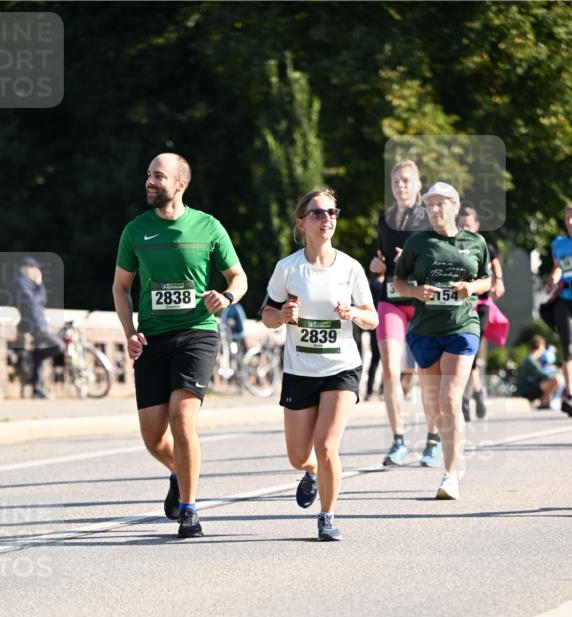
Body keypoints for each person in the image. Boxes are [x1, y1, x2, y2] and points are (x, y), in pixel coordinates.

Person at [112, 153, 247, 538]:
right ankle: (178, 470)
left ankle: (189, 508)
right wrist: (129, 331)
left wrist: (228, 297)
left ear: (180, 184)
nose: (149, 181)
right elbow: (121, 288)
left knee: (182, 418)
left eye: (158, 176)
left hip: (197, 333)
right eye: (148, 175)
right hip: (153, 338)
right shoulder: (136, 231)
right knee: (153, 438)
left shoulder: (208, 227)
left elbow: (238, 276)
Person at [261, 188, 377, 541]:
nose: (327, 219)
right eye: (318, 213)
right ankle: (310, 471)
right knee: (299, 455)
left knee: (327, 445)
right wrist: (281, 316)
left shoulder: (350, 268)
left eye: (333, 212)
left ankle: (327, 515)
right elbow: (266, 315)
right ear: (302, 223)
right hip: (300, 371)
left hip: (341, 368)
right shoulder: (288, 268)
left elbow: (372, 317)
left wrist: (353, 313)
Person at [393, 182, 492, 500]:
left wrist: (471, 288)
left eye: (440, 204)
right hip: (424, 331)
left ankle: (450, 475)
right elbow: (398, 281)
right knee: (433, 407)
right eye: (429, 205)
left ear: (454, 206)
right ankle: (453, 448)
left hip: (462, 327)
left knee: (450, 400)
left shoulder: (475, 242)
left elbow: (487, 279)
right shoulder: (417, 243)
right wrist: (416, 291)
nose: (434, 210)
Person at [369, 159, 441, 468]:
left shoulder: (429, 218)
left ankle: (433, 441)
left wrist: (410, 262)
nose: (400, 186)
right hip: (392, 300)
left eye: (406, 181)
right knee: (389, 370)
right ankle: (398, 441)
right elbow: (381, 258)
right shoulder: (385, 219)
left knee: (427, 374)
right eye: (396, 181)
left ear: (418, 185)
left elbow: (440, 260)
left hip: (422, 303)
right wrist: (379, 267)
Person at [457, 206, 506, 421]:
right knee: (469, 355)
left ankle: (466, 399)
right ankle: (477, 393)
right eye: (462, 225)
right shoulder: (454, 246)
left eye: (469, 225)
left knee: (472, 349)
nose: (465, 228)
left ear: (476, 226)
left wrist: (499, 282)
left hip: (482, 304)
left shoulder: (484, 245)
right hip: (461, 305)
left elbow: (495, 264)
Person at [11, 257, 64, 399]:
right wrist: (37, 287)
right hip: (33, 325)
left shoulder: (32, 284)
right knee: (59, 346)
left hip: (39, 323)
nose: (37, 271)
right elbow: (32, 303)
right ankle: (32, 357)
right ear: (25, 268)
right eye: (34, 268)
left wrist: (39, 285)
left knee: (40, 358)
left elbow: (42, 301)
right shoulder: (20, 283)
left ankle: (37, 389)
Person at [550, 204, 572, 417]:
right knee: (569, 348)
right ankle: (571, 397)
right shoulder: (558, 244)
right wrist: (554, 276)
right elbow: (559, 266)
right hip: (565, 298)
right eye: (567, 218)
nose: (570, 222)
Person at [516, 334, 563, 407]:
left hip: (530, 387)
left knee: (555, 380)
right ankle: (542, 403)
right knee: (556, 380)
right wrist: (558, 372)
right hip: (526, 390)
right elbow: (543, 374)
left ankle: (544, 402)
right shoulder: (530, 360)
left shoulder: (533, 359)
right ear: (540, 346)